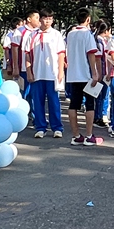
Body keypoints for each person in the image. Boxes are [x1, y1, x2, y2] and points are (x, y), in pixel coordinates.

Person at [65, 8, 103, 145]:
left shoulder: (70, 34)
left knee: (73, 104)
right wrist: (95, 73)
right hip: (86, 74)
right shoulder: (87, 34)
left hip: (73, 74)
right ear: (88, 19)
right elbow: (91, 54)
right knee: (89, 104)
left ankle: (76, 135)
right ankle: (89, 135)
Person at [26, 8, 65, 138]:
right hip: (37, 73)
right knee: (38, 101)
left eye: (50, 19)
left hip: (52, 73)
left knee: (54, 101)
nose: (48, 21)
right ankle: (40, 127)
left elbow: (61, 54)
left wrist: (60, 71)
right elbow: (28, 55)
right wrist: (29, 72)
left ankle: (57, 127)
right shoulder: (32, 35)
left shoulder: (56, 34)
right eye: (45, 18)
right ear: (41, 19)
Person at [17, 10, 40, 124]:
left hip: (36, 69)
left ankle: (35, 117)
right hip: (23, 68)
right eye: (36, 18)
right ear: (29, 19)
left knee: (34, 93)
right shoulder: (20, 31)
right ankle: (21, 116)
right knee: (24, 93)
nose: (39, 20)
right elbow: (14, 49)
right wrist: (15, 67)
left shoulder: (38, 32)